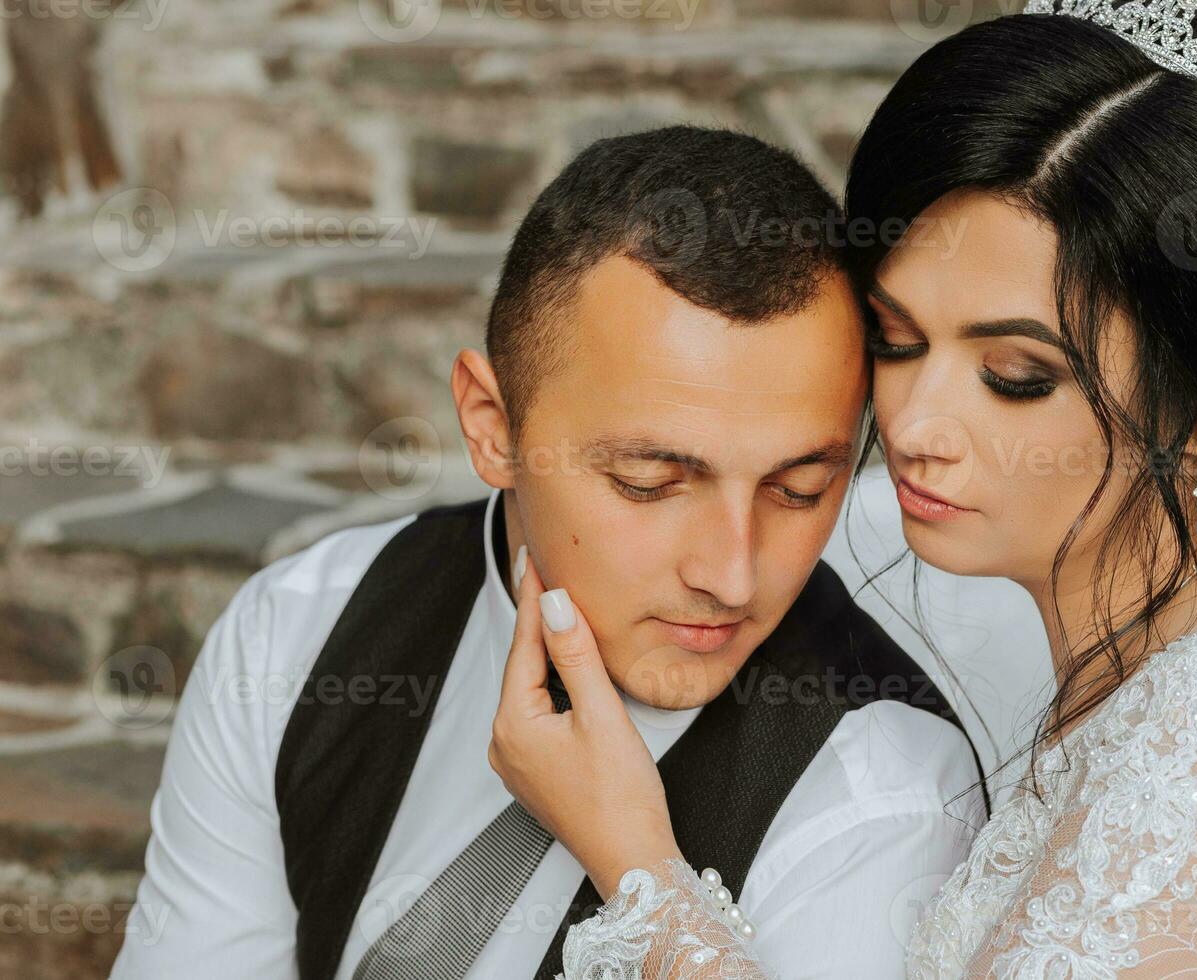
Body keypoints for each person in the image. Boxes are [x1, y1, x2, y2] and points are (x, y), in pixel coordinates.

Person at [489, 3, 1197, 977]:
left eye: (1015, 376)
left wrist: (638, 862)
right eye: (897, 341)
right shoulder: (1158, 668)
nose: (915, 427)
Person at [109, 127, 984, 980]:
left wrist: (639, 872)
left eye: (798, 489)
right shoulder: (297, 628)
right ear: (493, 429)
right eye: (649, 479)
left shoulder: (888, 795)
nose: (731, 575)